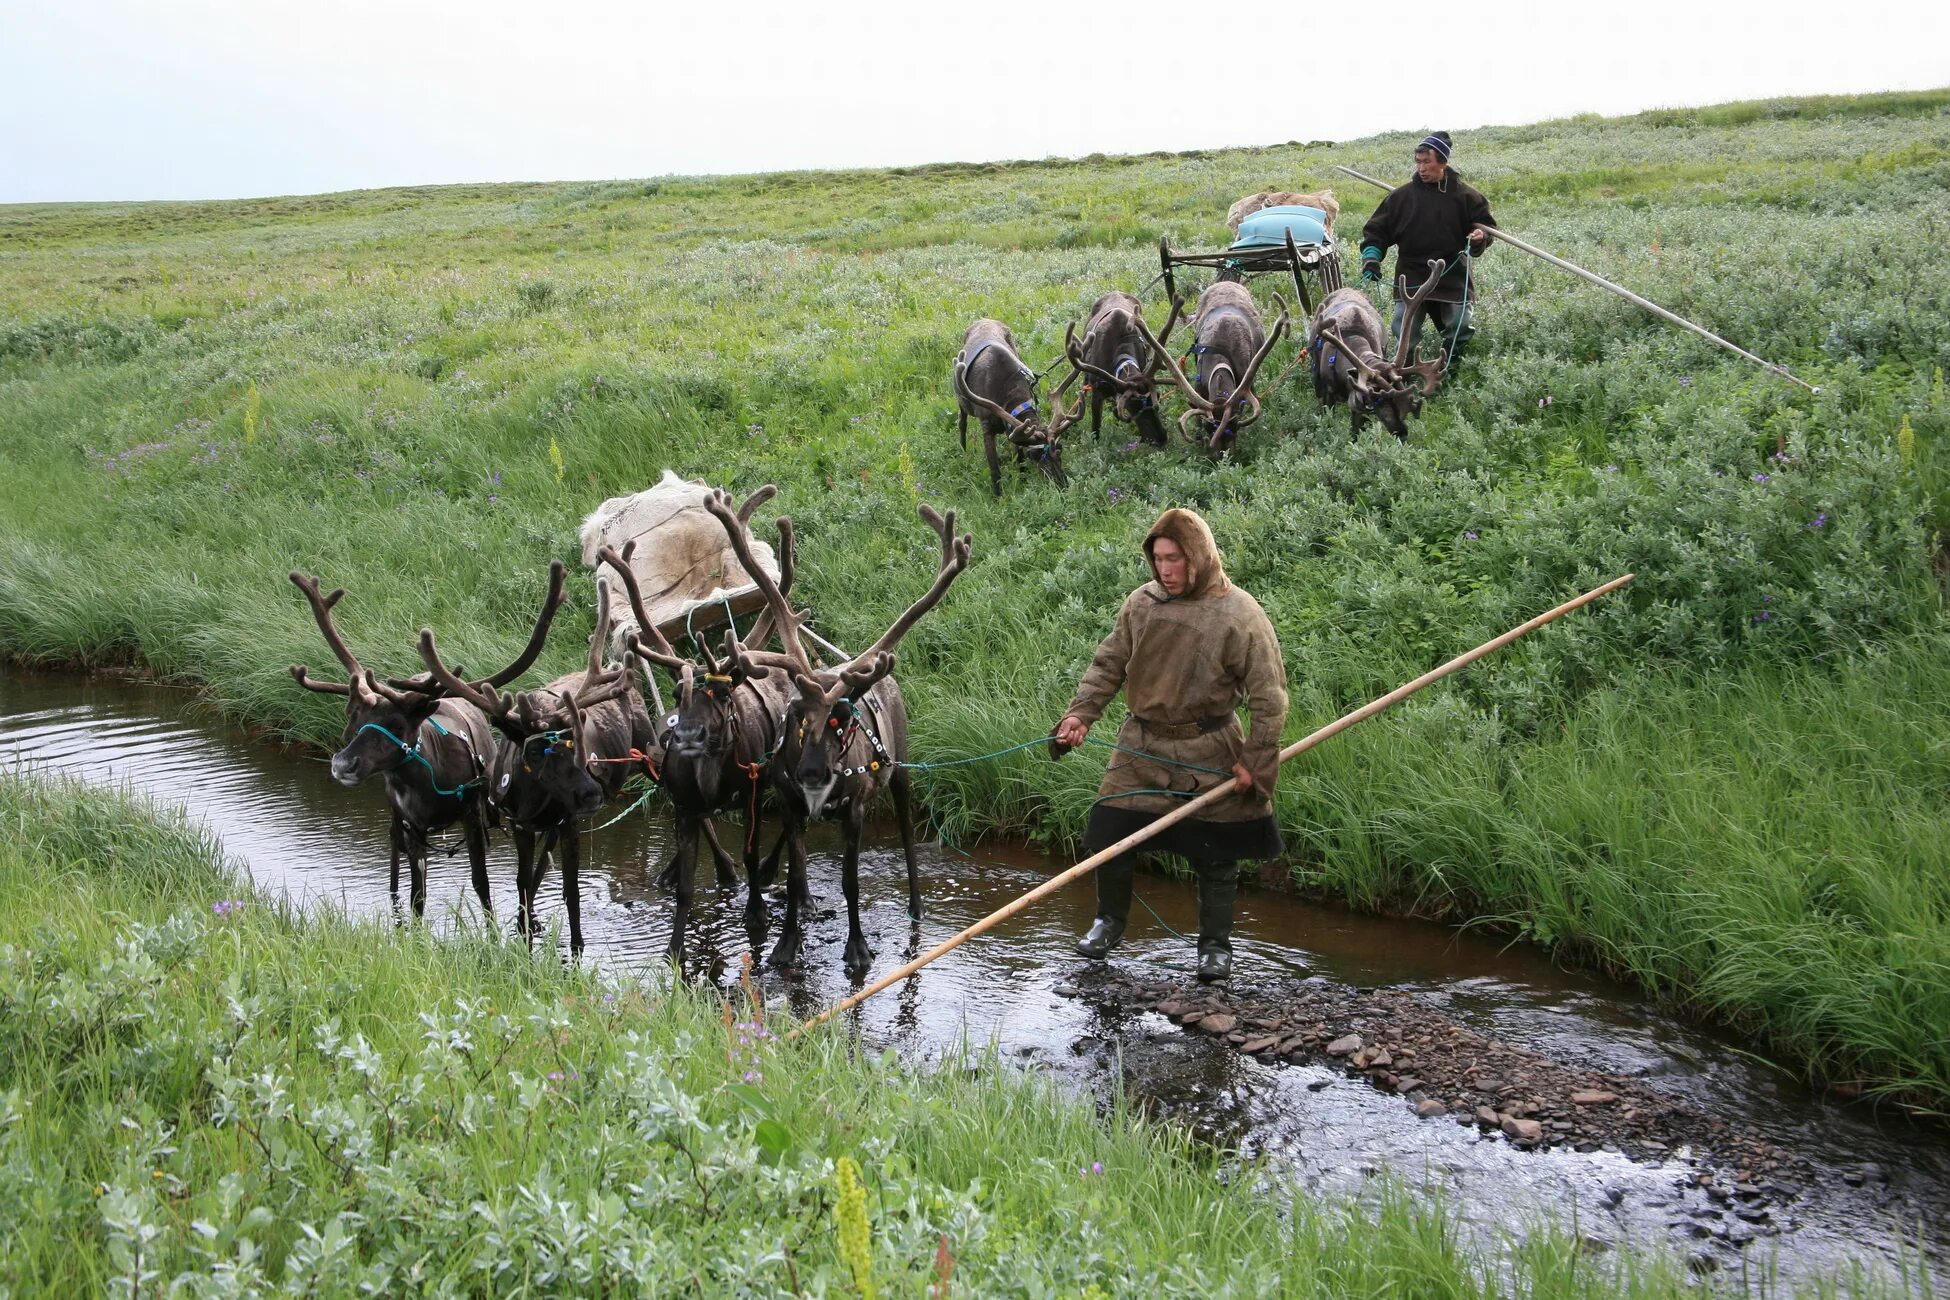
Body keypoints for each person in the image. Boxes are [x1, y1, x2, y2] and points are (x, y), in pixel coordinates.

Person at [1050, 508, 1288, 983]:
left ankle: (1215, 949)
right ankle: (1109, 923)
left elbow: (1270, 695)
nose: (1165, 569)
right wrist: (1080, 715)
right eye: (1158, 559)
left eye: (1175, 558)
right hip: (1141, 743)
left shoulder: (1240, 612)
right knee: (1111, 837)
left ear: (1198, 557)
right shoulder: (1141, 604)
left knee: (1216, 854)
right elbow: (1108, 663)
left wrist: (1255, 758)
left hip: (1211, 746)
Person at [1359, 131, 1498, 365]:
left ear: (1443, 162)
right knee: (1404, 329)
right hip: (1411, 273)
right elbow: (1376, 231)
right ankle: (1406, 371)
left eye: (1427, 162)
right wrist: (1371, 258)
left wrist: (1479, 237)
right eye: (1418, 162)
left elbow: (1486, 229)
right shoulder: (1401, 198)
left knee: (1459, 326)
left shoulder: (1467, 197)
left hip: (1452, 274)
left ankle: (1450, 368)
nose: (1421, 168)